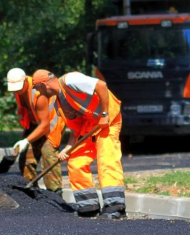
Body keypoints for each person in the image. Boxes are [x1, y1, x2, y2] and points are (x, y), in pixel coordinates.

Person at [31, 69, 126, 219]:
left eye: (37, 88)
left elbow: (101, 85)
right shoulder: (60, 103)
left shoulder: (70, 80)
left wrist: (104, 114)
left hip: (108, 120)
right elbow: (76, 130)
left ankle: (115, 207)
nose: (39, 93)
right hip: (90, 126)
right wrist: (68, 149)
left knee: (106, 160)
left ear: (44, 84)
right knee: (75, 162)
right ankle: (89, 206)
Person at [6, 68, 65, 192]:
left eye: (19, 88)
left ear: (25, 82)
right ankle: (31, 191)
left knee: (48, 153)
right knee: (26, 157)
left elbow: (44, 125)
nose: (17, 91)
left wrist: (26, 140)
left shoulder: (38, 93)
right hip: (35, 124)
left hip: (50, 124)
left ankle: (55, 193)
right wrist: (26, 138)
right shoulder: (18, 91)